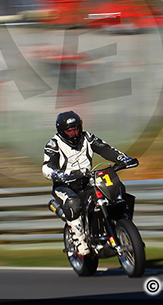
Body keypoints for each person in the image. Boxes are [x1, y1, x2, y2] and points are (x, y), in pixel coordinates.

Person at [42, 110, 134, 256]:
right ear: (61, 131)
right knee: (73, 203)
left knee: (117, 188)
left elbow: (106, 149)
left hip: (87, 181)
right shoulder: (54, 144)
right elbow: (47, 167)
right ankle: (80, 240)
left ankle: (123, 224)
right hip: (65, 186)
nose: (74, 134)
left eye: (76, 129)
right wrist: (60, 175)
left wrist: (123, 159)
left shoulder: (87, 138)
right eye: (69, 131)